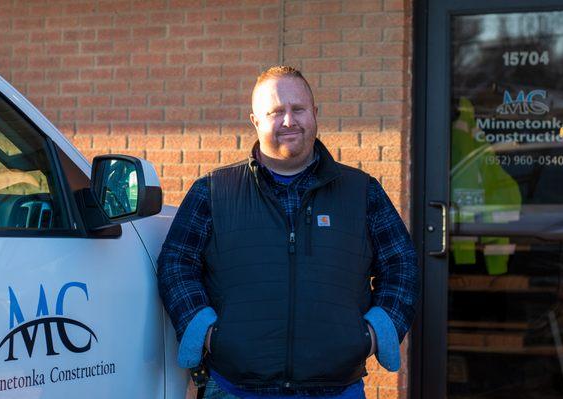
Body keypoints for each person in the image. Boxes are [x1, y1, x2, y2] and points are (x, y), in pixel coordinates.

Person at [157, 66, 419, 399]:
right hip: (235, 388)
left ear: (315, 114)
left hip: (338, 390)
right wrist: (206, 331)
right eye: (276, 111)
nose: (288, 121)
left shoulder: (362, 191)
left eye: (298, 109)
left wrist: (375, 332)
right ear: (255, 121)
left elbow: (402, 266)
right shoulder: (213, 191)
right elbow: (176, 263)